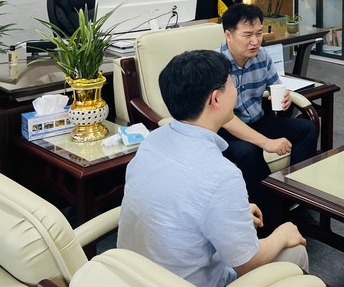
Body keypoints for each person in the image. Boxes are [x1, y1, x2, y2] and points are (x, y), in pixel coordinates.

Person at [118, 50, 309, 287]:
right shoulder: (222, 176)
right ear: (216, 99)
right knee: (295, 250)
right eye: (232, 84)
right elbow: (248, 263)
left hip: (133, 275)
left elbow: (181, 203)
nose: (235, 90)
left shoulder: (151, 142)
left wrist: (231, 213)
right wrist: (282, 235)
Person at [218, 3, 318, 215]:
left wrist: (283, 98)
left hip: (258, 120)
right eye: (247, 35)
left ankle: (296, 197)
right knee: (249, 152)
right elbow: (224, 117)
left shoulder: (262, 56)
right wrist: (266, 142)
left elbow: (275, 87)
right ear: (229, 35)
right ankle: (269, 213)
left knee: (306, 129)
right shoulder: (215, 65)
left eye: (259, 33)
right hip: (227, 130)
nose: (255, 41)